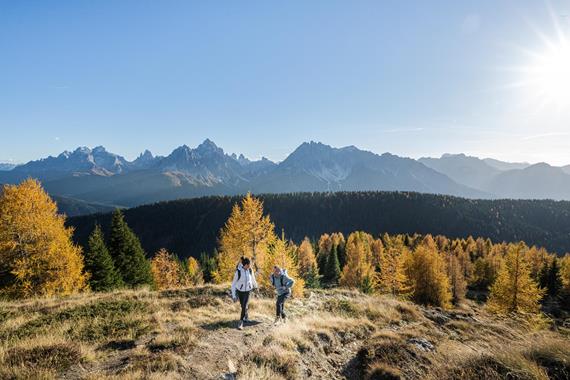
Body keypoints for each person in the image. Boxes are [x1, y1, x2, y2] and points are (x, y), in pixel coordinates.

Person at [231, 257, 258, 330]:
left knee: (244, 305)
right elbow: (233, 284)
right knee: (243, 305)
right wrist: (233, 295)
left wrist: (256, 287)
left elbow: (253, 279)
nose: (250, 266)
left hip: (248, 291)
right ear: (245, 264)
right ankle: (246, 316)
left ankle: (241, 322)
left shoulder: (250, 270)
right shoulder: (238, 272)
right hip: (240, 291)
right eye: (249, 264)